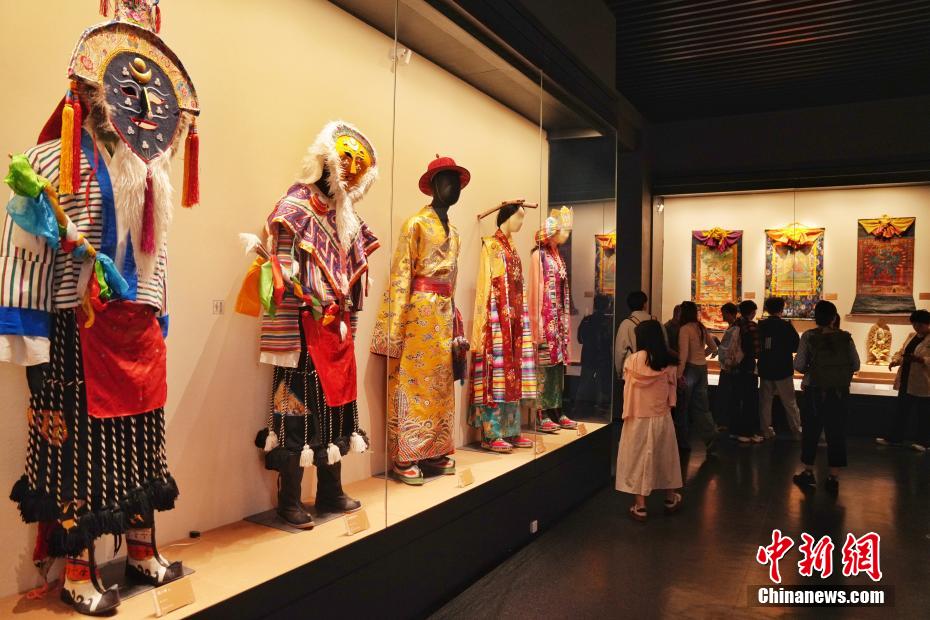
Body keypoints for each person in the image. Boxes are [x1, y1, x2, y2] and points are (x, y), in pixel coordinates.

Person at [616, 320, 683, 522]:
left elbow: (627, 387)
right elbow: (672, 391)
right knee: (666, 457)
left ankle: (640, 505)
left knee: (637, 458)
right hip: (661, 416)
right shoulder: (669, 360)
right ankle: (670, 497)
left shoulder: (632, 360)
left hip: (637, 416)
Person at [792, 301, 860, 493]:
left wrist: (811, 369)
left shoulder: (808, 336)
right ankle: (833, 477)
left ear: (816, 317)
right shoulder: (845, 337)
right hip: (839, 392)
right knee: (836, 432)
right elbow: (856, 365)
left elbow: (799, 365)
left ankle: (808, 472)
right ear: (834, 318)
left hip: (814, 392)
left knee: (811, 431)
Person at [876, 309, 930, 452]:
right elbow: (902, 352)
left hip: (924, 382)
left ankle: (923, 442)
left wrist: (921, 359)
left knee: (923, 414)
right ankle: (895, 438)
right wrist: (895, 361)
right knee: (901, 411)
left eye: (920, 325)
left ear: (927, 324)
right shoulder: (912, 336)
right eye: (914, 324)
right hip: (906, 379)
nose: (916, 327)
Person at [675, 301, 718, 453]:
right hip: (702, 368)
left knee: (683, 406)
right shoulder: (701, 327)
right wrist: (702, 356)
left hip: (690, 369)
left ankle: (683, 441)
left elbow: (683, 354)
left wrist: (679, 375)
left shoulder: (684, 329)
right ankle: (710, 435)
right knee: (702, 405)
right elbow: (714, 347)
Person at [757, 297, 802, 439]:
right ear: (782, 309)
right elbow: (796, 345)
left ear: (767, 309)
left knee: (765, 402)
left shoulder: (761, 325)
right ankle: (796, 430)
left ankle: (766, 430)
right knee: (790, 402)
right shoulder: (786, 325)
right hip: (783, 368)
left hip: (765, 366)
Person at [729, 300, 764, 443]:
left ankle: (734, 431)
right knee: (750, 400)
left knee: (736, 399)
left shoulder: (735, 324)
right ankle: (747, 433)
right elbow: (756, 350)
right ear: (752, 312)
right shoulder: (752, 326)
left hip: (735, 366)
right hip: (748, 366)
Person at [577, 294, 615, 415]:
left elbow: (580, 339)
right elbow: (610, 340)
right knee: (602, 384)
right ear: (607, 306)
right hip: (603, 357)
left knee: (584, 383)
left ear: (594, 305)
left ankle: (580, 408)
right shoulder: (608, 321)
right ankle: (600, 409)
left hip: (588, 355)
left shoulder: (587, 320)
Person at [714, 302, 740, 431]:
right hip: (728, 366)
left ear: (730, 314)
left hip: (729, 367)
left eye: (724, 313)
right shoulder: (734, 327)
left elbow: (730, 349)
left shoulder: (735, 329)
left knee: (725, 395)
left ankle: (724, 422)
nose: (722, 316)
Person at [615, 290, 655, 373]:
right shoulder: (656, 322)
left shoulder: (626, 324)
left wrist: (619, 371)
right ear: (645, 304)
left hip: (633, 371)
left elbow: (620, 352)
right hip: (653, 368)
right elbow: (665, 345)